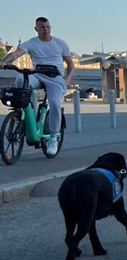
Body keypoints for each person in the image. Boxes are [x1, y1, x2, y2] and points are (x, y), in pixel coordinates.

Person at [0, 17, 74, 156]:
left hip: (55, 77)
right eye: (42, 27)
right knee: (20, 78)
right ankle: (29, 114)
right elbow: (16, 54)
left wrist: (67, 80)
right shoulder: (32, 43)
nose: (45, 29)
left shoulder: (60, 43)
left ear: (50, 27)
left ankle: (53, 138)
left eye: (47, 27)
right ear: (36, 29)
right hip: (37, 74)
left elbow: (70, 64)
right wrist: (4, 61)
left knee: (54, 104)